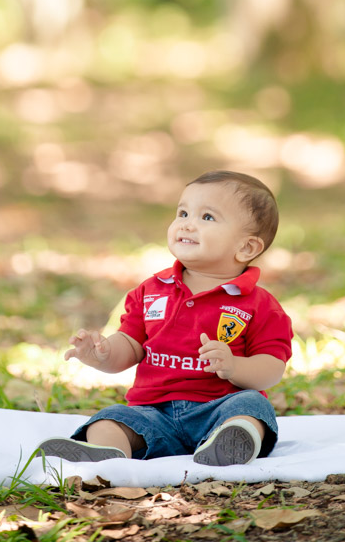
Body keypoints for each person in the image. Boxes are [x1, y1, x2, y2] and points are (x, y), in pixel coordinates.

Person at [36, 170, 293, 467]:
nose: (187, 223)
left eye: (207, 217)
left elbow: (272, 368)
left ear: (246, 247)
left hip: (218, 408)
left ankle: (230, 442)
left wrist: (235, 366)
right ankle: (106, 454)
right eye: (183, 212)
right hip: (153, 414)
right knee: (111, 418)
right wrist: (103, 354)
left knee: (252, 406)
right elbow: (131, 346)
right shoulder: (151, 290)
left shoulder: (259, 305)